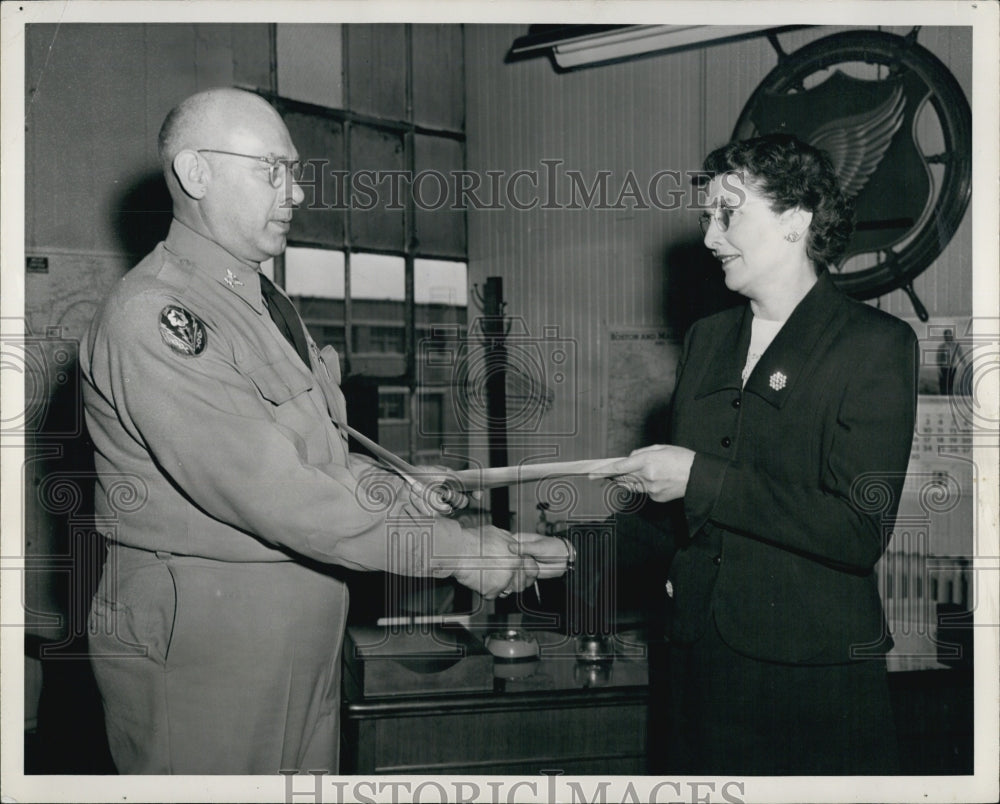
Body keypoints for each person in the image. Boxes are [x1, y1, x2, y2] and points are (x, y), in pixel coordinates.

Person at [80, 87, 569, 775]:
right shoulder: (158, 317)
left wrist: (413, 499)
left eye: (295, 170)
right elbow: (273, 491)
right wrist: (454, 552)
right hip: (208, 648)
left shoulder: (261, 303)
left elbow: (322, 459)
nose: (296, 192)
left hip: (297, 634)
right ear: (196, 174)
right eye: (271, 170)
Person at [602, 134, 917, 774]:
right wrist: (555, 554)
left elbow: (858, 528)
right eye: (705, 218)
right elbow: (678, 519)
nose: (711, 237)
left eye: (729, 214)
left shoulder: (873, 345)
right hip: (697, 666)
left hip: (809, 678)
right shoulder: (708, 338)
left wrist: (699, 476)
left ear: (797, 221)